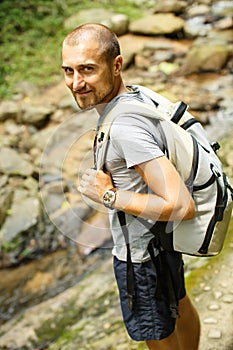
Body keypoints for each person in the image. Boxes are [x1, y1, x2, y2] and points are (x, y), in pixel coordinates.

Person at [61, 23, 201, 350]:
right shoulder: (137, 96)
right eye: (68, 70)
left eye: (87, 70)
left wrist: (108, 195)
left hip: (140, 255)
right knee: (179, 304)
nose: (75, 83)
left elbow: (181, 205)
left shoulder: (124, 128)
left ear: (117, 65)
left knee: (155, 331)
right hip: (162, 240)